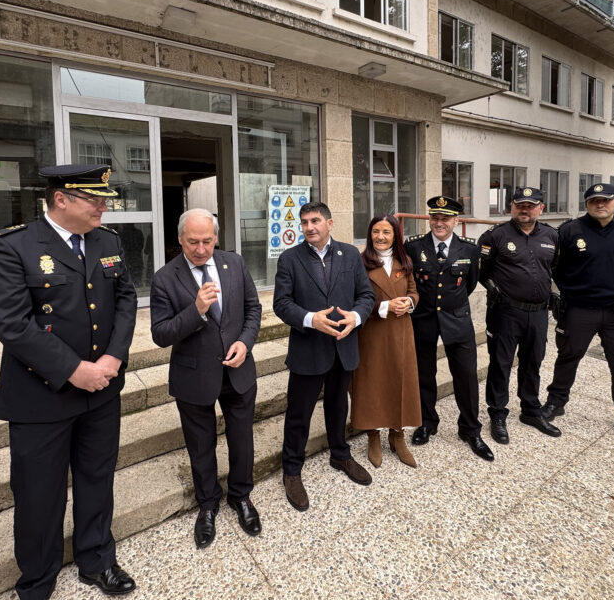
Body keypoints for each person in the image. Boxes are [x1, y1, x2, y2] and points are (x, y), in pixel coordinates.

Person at [0, 164, 137, 600]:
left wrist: (113, 357)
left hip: (103, 390)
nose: (103, 207)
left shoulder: (107, 242)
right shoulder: (13, 245)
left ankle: (97, 560)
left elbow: (125, 300)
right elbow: (12, 323)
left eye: (104, 199)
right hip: (41, 396)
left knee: (96, 478)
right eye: (94, 199)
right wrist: (75, 370)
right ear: (60, 200)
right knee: (38, 494)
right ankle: (36, 581)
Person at [150, 208, 262, 548]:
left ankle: (241, 496)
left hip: (238, 369)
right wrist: (195, 310)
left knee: (242, 440)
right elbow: (161, 334)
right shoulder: (165, 278)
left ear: (216, 237)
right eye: (193, 242)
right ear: (180, 239)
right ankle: (208, 505)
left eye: (208, 241)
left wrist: (245, 341)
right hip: (194, 376)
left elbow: (253, 308)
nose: (201, 249)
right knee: (200, 446)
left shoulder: (234, 263)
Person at [273, 201, 376, 511]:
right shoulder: (290, 259)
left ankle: (340, 454)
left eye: (315, 220)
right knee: (298, 413)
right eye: (304, 222)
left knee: (337, 404)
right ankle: (291, 470)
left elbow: (366, 296)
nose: (309, 227)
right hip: (308, 349)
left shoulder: (350, 255)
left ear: (330, 223)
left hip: (343, 347)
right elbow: (282, 304)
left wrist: (355, 318)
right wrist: (310, 319)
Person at [543, 183, 614, 446]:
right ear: (587, 204)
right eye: (594, 200)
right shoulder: (569, 231)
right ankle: (555, 403)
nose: (600, 204)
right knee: (568, 357)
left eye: (605, 200)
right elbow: (556, 267)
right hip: (579, 308)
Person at [405, 196, 494, 462]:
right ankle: (426, 422)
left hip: (457, 318)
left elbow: (470, 284)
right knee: (424, 373)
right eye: (435, 217)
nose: (439, 223)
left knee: (466, 375)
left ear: (456, 221)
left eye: (445, 218)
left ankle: (470, 429)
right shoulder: (414, 247)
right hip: (423, 319)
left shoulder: (469, 249)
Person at [477, 187, 562, 444]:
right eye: (519, 204)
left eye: (530, 205)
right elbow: (482, 271)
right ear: (511, 207)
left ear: (540, 208)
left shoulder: (552, 236)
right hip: (506, 312)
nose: (524, 209)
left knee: (533, 362)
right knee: (501, 364)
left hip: (538, 313)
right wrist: (492, 288)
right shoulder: (495, 236)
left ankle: (530, 410)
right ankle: (498, 413)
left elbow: (555, 268)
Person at [350, 215, 421, 468]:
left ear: (395, 235)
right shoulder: (359, 262)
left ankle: (397, 434)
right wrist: (383, 306)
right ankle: (373, 435)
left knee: (400, 381)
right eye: (376, 231)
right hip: (372, 332)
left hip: (401, 330)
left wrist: (410, 303)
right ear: (370, 234)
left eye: (386, 232)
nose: (380, 236)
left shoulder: (405, 260)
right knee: (372, 384)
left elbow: (413, 291)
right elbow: (354, 299)